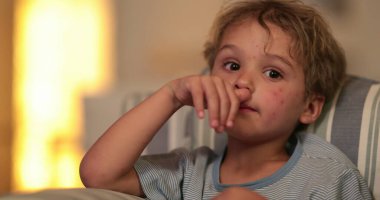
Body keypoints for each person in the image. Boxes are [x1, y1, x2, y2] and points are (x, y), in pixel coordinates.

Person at [79, 0, 372, 199]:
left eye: (273, 73)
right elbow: (98, 175)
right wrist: (172, 94)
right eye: (232, 65)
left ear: (309, 107)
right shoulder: (189, 172)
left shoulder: (327, 176)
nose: (242, 82)